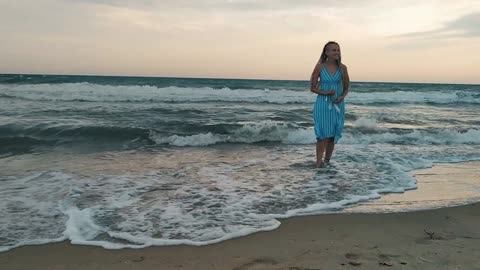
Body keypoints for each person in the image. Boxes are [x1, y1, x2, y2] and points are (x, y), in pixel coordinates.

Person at [309, 41, 350, 168]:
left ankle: (327, 162)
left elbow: (346, 88)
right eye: (333, 50)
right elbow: (312, 88)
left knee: (332, 135)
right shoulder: (319, 67)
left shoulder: (343, 68)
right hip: (322, 104)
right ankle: (318, 163)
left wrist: (342, 97)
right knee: (322, 136)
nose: (336, 52)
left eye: (337, 50)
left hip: (337, 106)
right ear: (326, 52)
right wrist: (326, 92)